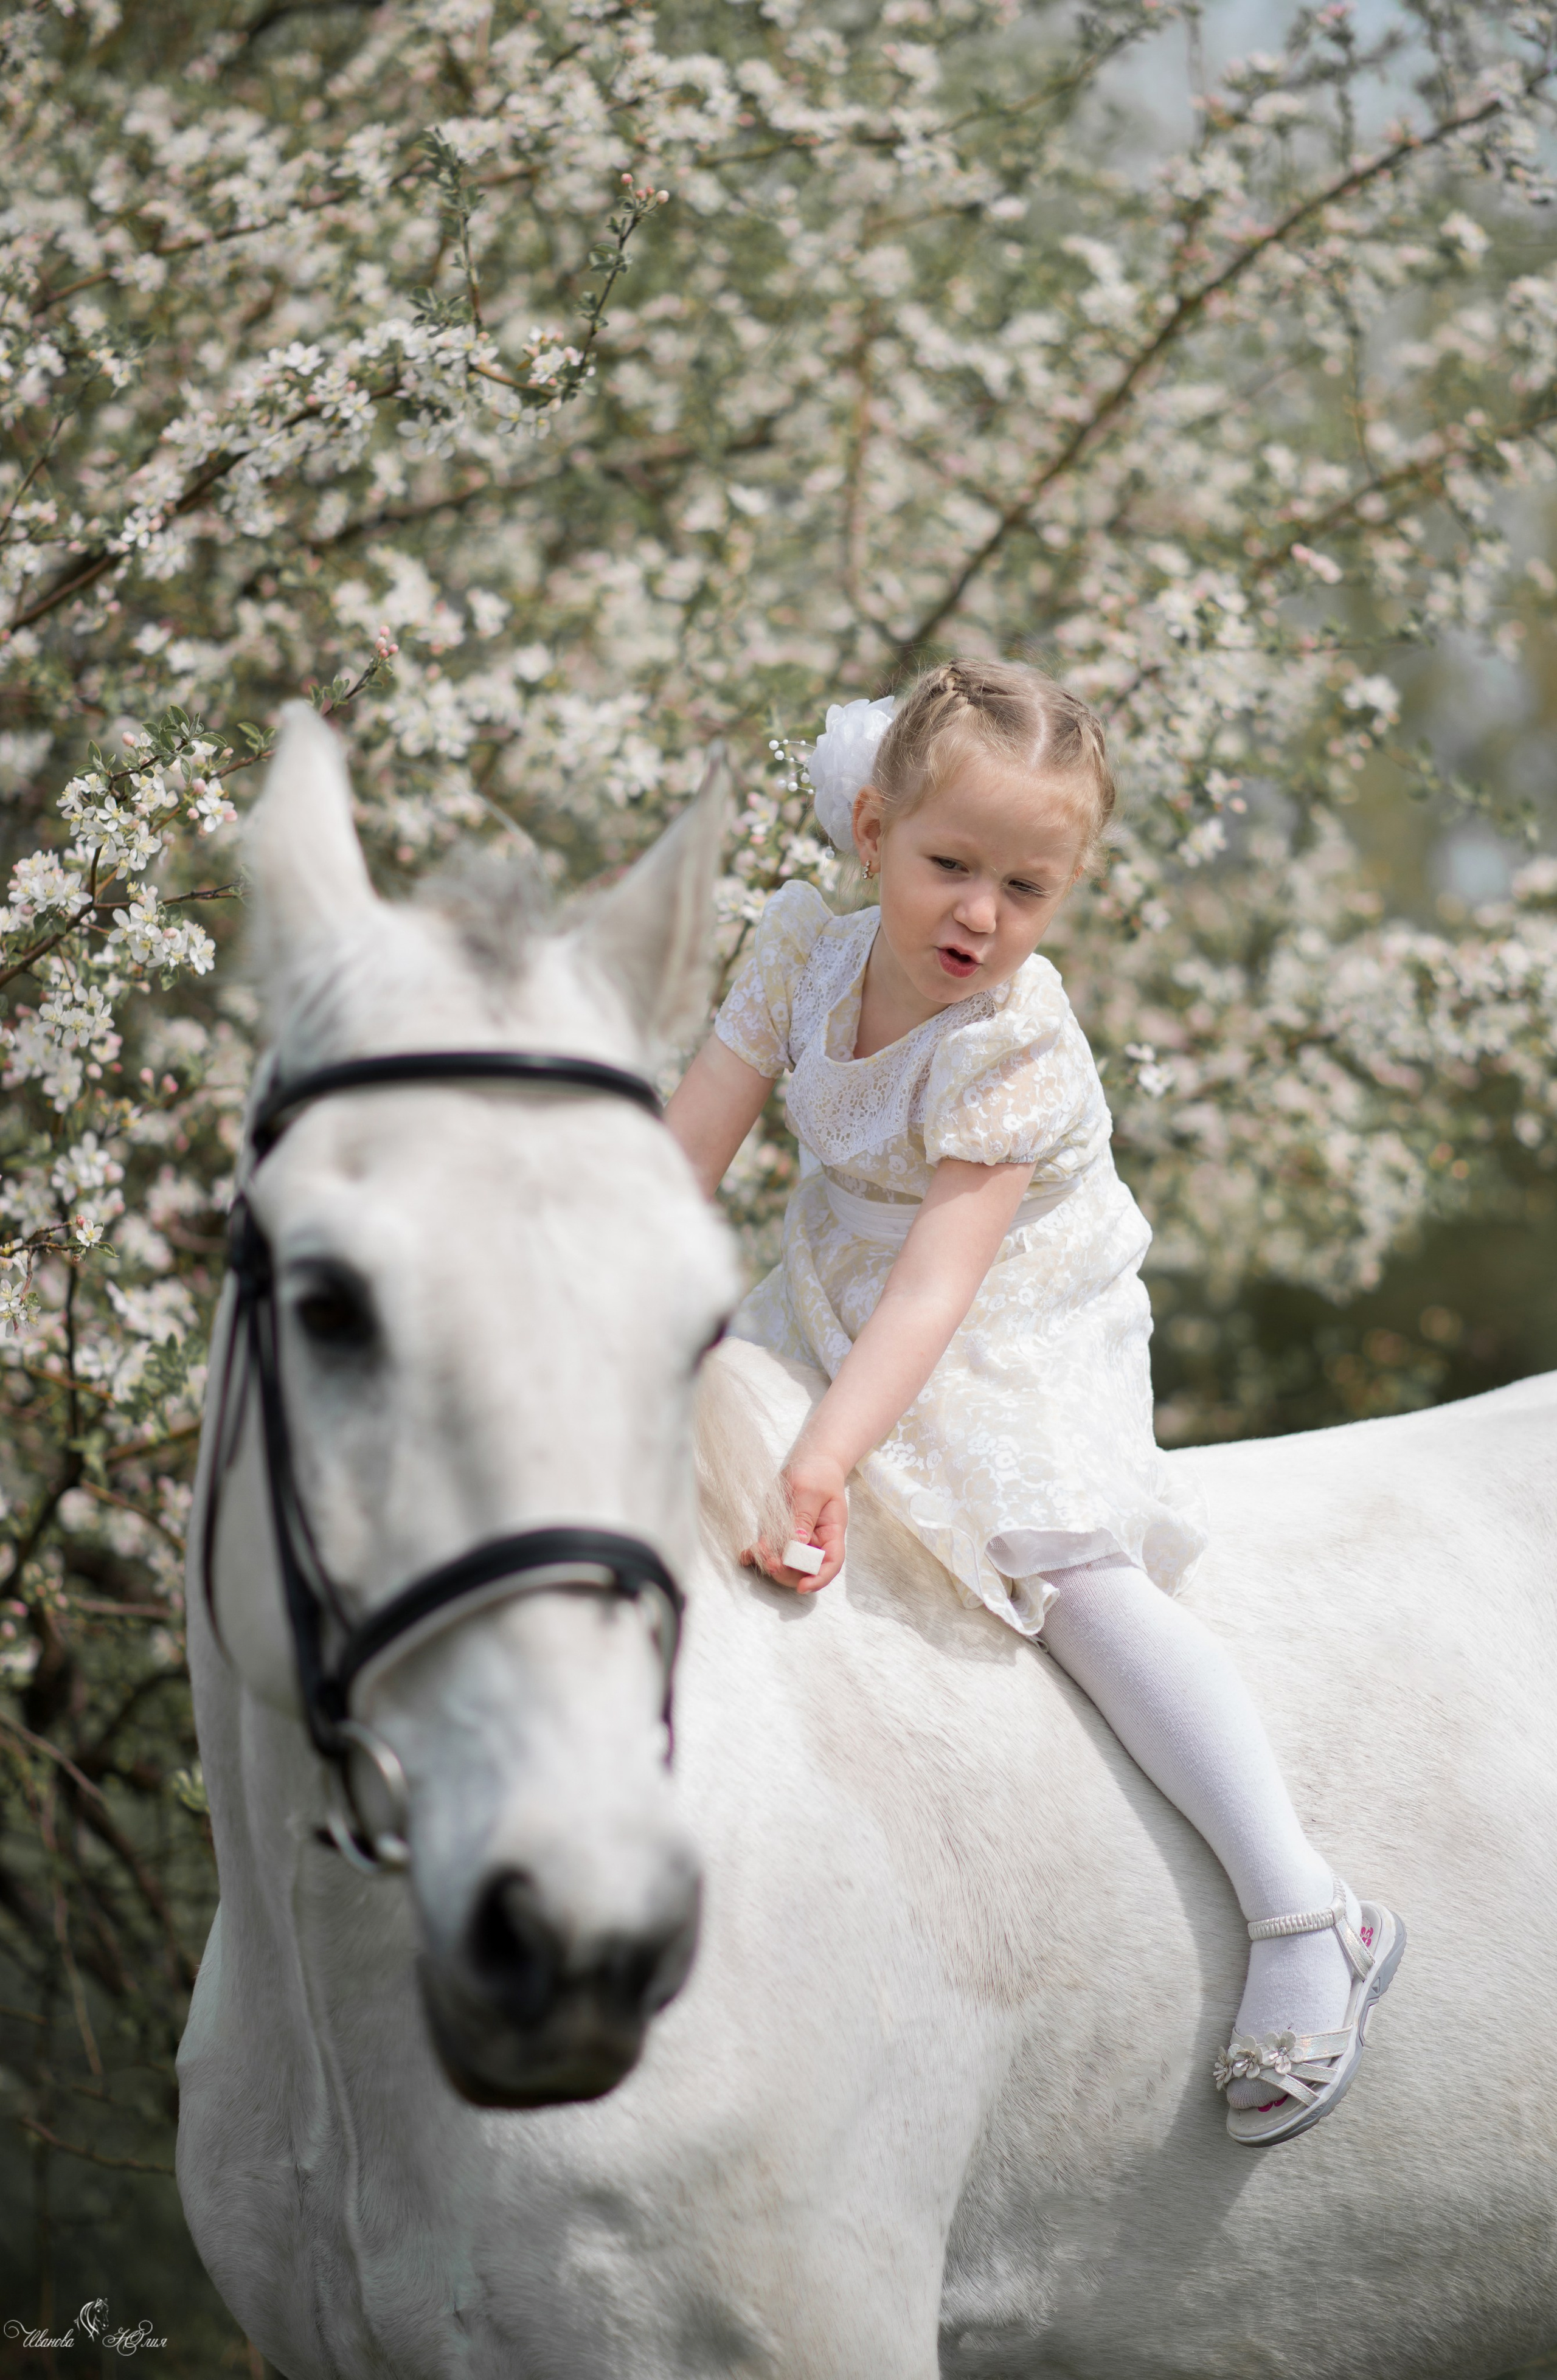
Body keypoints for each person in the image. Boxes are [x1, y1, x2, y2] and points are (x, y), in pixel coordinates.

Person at [667, 657, 1404, 2146]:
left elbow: (940, 1290)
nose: (979, 918)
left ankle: (1299, 1909)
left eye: (1028, 887)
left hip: (1011, 1313)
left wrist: (824, 1453)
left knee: (1058, 1565)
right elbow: (688, 1140)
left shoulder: (1011, 1036)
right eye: (948, 866)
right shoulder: (802, 939)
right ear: (869, 830)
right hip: (831, 1277)